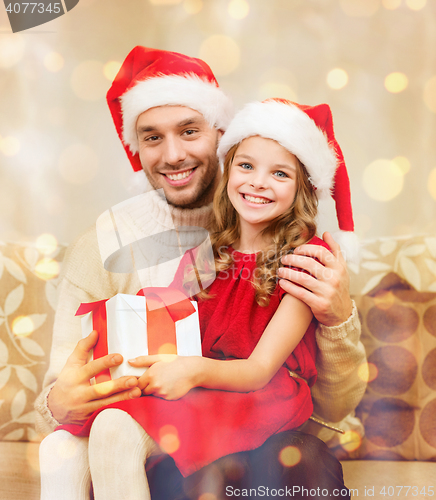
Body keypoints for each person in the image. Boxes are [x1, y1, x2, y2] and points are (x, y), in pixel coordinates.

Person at [36, 47, 365, 499]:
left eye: (189, 131)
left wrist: (339, 316)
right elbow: (167, 314)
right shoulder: (149, 246)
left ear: (220, 135)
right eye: (152, 137)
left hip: (261, 414)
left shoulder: (304, 259)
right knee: (88, 440)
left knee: (296, 464)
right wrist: (63, 401)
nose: (173, 154)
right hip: (179, 402)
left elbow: (326, 400)